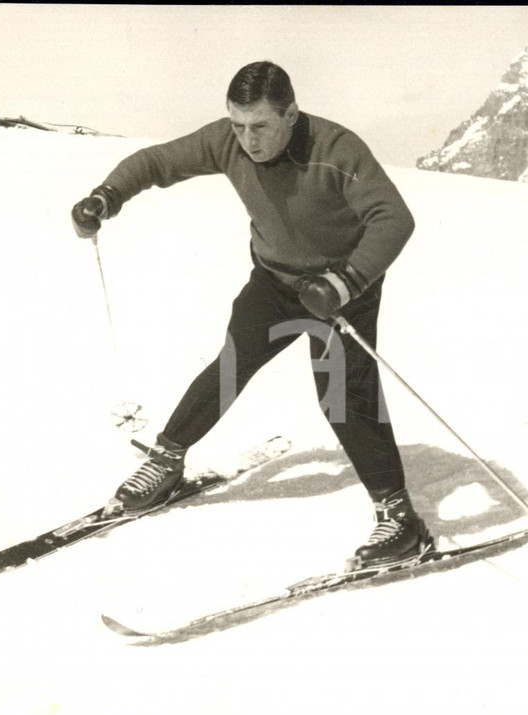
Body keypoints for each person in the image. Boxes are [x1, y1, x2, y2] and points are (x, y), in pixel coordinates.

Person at [71, 61, 432, 569]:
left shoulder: (336, 149)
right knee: (231, 364)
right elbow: (156, 162)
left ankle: (401, 522)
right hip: (275, 281)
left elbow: (394, 218)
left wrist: (344, 282)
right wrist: (106, 197)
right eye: (238, 125)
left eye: (260, 125)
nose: (248, 140)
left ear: (290, 113)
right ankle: (167, 461)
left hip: (341, 290)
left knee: (341, 396)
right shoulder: (227, 140)